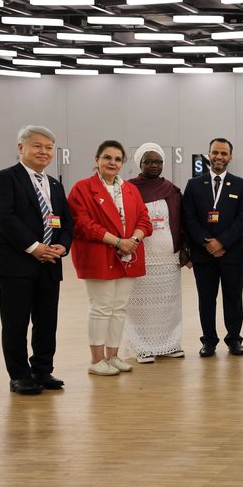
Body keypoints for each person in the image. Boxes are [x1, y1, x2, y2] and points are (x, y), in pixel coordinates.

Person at [0, 126, 74, 395]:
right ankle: (19, 375)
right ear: (21, 147)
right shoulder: (3, 179)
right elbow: (5, 218)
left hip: (50, 263)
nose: (44, 152)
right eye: (37, 146)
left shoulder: (54, 184)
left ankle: (42, 369)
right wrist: (34, 247)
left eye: (49, 147)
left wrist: (63, 245)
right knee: (16, 322)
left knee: (47, 320)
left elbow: (66, 220)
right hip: (16, 263)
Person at [67, 140, 153, 376]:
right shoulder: (82, 188)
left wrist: (133, 241)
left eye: (117, 159)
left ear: (123, 163)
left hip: (128, 254)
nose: (112, 163)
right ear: (96, 160)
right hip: (99, 254)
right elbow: (82, 224)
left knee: (119, 308)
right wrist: (117, 242)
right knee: (101, 308)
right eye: (107, 157)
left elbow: (144, 220)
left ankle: (112, 356)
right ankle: (96, 360)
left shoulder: (130, 189)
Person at [182, 137, 243, 357]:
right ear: (208, 154)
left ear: (230, 156)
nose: (219, 157)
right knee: (206, 299)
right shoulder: (194, 185)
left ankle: (234, 339)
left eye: (223, 153)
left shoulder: (241, 185)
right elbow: (189, 218)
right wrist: (207, 243)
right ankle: (209, 341)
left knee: (233, 298)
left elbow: (242, 218)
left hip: (232, 254)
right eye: (215, 152)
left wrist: (222, 242)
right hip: (203, 255)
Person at [125, 143, 187, 363]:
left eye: (158, 161)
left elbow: (181, 221)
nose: (154, 165)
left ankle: (170, 344)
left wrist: (184, 248)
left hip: (168, 254)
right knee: (137, 302)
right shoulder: (129, 188)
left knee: (168, 302)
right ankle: (141, 346)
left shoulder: (171, 189)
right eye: (149, 161)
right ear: (139, 164)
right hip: (140, 252)